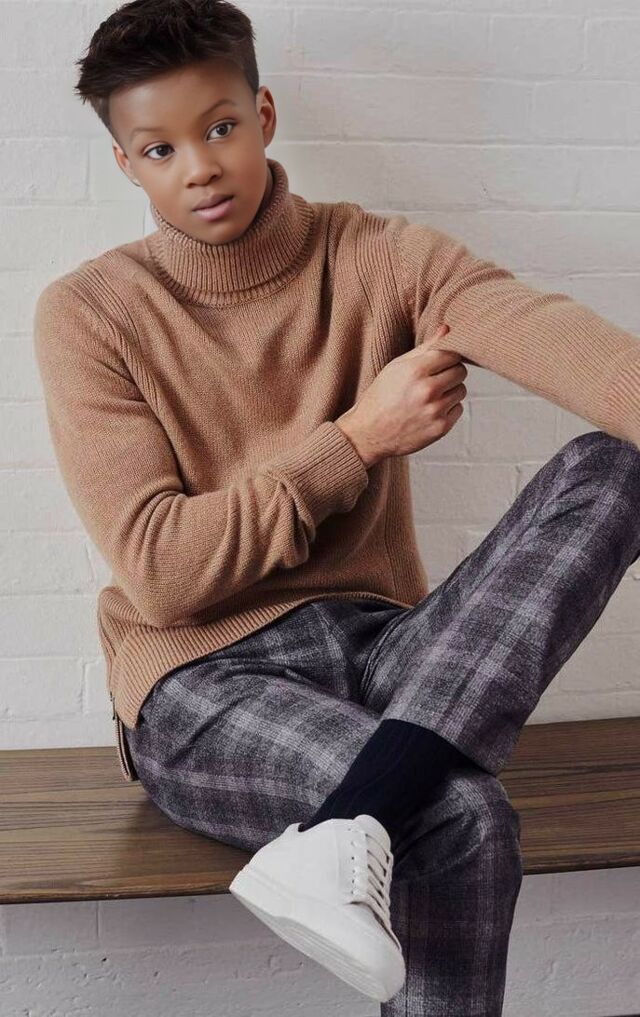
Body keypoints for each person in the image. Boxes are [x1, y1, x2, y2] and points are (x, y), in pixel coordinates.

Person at [33, 0, 640, 1012]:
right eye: (161, 148)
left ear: (263, 114)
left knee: (615, 466)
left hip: (382, 652)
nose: (199, 167)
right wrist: (358, 438)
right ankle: (370, 810)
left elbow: (548, 335)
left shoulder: (376, 255)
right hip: (202, 680)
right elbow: (165, 573)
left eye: (220, 127)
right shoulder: (91, 312)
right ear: (126, 164)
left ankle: (348, 823)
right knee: (461, 818)